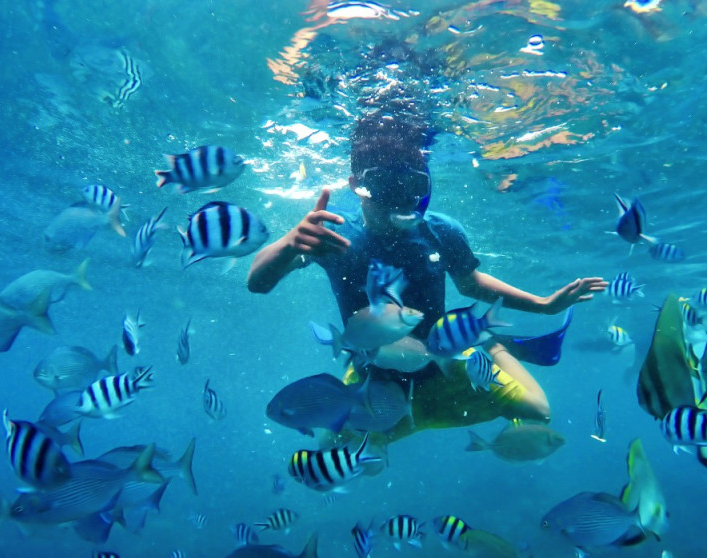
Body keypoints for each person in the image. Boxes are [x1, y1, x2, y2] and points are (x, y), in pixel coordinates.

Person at [248, 112, 606, 439]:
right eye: (385, 186)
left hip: (443, 363)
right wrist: (289, 245)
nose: (401, 200)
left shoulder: (442, 231)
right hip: (374, 379)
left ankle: (489, 344)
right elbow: (257, 283)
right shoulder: (333, 237)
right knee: (334, 455)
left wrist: (543, 306)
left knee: (538, 411)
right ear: (357, 184)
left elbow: (471, 283)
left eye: (414, 187)